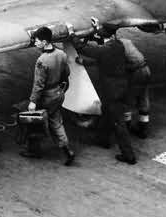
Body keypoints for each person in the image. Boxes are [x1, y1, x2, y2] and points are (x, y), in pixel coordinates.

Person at [77, 26, 137, 164]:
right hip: (122, 87)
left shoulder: (104, 50)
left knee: (118, 123)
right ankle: (102, 139)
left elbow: (83, 48)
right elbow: (102, 59)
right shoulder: (119, 45)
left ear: (100, 38)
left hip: (112, 92)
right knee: (106, 113)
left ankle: (129, 155)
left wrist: (72, 35)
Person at [24, 26, 75, 165]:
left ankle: (34, 150)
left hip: (46, 97)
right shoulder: (61, 54)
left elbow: (38, 85)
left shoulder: (42, 61)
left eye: (37, 41)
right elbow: (67, 73)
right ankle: (67, 150)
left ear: (44, 42)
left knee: (33, 122)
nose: (35, 43)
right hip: (58, 93)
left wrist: (33, 101)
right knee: (56, 122)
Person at [117, 35, 152, 139]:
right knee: (143, 98)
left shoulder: (114, 47)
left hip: (136, 72)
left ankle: (126, 128)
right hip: (146, 69)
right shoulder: (126, 41)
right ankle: (143, 130)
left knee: (127, 99)